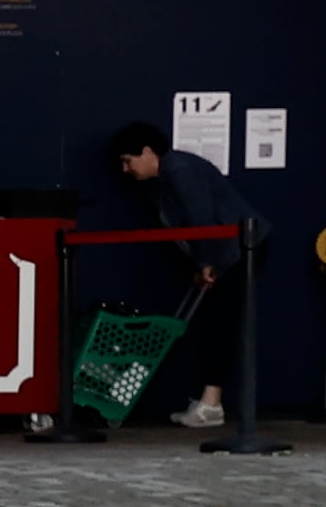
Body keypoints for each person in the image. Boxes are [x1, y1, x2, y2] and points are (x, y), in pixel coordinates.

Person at [94, 116, 261, 433]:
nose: (125, 170)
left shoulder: (180, 172)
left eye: (128, 161)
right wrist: (204, 263)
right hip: (226, 252)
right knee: (214, 324)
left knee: (220, 325)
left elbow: (200, 219)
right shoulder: (168, 177)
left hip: (236, 253)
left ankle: (212, 404)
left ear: (147, 152)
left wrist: (206, 263)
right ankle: (208, 401)